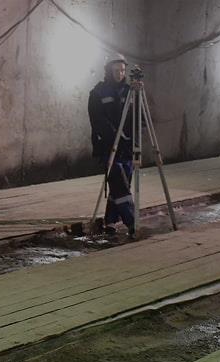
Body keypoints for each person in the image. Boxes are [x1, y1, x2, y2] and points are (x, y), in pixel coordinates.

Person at [87, 53, 136, 239]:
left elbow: (137, 117)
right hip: (108, 147)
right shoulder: (98, 93)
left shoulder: (130, 91)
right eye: (116, 70)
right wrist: (115, 136)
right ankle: (132, 222)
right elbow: (97, 120)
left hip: (127, 148)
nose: (120, 74)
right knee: (119, 183)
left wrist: (132, 139)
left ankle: (110, 222)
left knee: (121, 184)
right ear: (109, 70)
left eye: (122, 70)